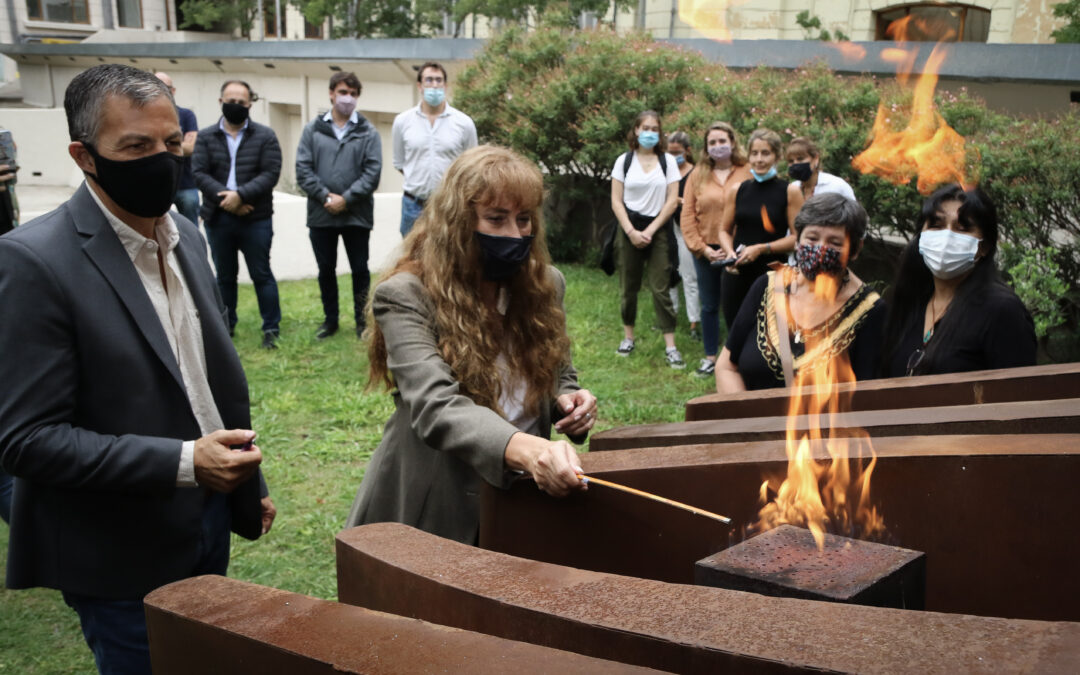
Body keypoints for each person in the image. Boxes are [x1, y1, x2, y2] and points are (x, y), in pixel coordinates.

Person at [0, 64, 275, 674]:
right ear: (84, 156)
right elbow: (26, 440)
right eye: (136, 147)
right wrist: (183, 463)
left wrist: (244, 482)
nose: (161, 159)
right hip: (118, 548)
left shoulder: (185, 235)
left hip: (206, 517)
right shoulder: (32, 263)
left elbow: (202, 379)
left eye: (171, 144)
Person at [346, 145, 596, 545]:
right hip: (437, 502)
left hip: (526, 495)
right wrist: (526, 449)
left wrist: (568, 400)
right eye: (496, 219)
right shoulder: (406, 295)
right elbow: (435, 406)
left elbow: (558, 370)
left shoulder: (546, 284)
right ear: (458, 224)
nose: (515, 235)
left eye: (524, 219)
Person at [716, 193, 886, 392]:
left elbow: (867, 395)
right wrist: (745, 418)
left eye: (835, 243)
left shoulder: (871, 311)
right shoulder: (767, 286)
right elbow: (727, 367)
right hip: (750, 421)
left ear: (855, 250)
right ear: (797, 242)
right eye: (812, 239)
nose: (821, 249)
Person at [880, 184, 1036, 377]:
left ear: (984, 246)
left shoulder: (1001, 311)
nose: (946, 237)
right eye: (936, 225)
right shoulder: (909, 302)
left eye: (962, 228)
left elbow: (1019, 395)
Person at [192, 80, 283, 349]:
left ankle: (271, 328)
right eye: (231, 101)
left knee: (262, 274)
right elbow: (199, 173)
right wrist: (227, 200)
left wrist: (240, 196)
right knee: (224, 277)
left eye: (242, 102)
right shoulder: (206, 136)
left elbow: (270, 173)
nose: (236, 106)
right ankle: (226, 327)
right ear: (221, 102)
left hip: (256, 217)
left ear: (250, 104)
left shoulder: (265, 136)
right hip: (219, 218)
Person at [296, 71, 382, 340]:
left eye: (353, 94)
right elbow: (303, 169)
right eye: (343, 92)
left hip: (356, 215)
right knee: (326, 270)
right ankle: (330, 321)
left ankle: (361, 322)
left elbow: (372, 172)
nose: (348, 98)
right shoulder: (312, 130)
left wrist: (347, 198)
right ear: (331, 93)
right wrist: (325, 197)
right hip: (321, 215)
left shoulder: (368, 131)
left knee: (360, 270)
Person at [610, 110, 685, 368]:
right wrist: (631, 231)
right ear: (636, 130)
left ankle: (671, 346)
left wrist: (651, 231)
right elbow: (615, 200)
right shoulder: (624, 161)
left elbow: (672, 200)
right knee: (628, 287)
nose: (650, 133)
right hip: (629, 228)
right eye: (645, 128)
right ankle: (628, 337)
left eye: (655, 128)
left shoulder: (668, 162)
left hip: (658, 229)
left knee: (660, 288)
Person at [680, 122, 753, 378]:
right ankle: (710, 356)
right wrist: (702, 249)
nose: (718, 146)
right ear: (706, 148)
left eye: (723, 141)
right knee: (710, 305)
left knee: (741, 304)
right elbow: (687, 215)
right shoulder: (697, 175)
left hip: (741, 250)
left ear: (733, 142)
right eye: (712, 143)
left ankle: (740, 357)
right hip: (708, 252)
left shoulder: (749, 171)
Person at [717, 128, 804, 331]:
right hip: (737, 272)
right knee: (735, 331)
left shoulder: (789, 191)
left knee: (767, 336)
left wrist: (761, 248)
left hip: (771, 274)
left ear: (777, 156)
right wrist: (730, 252)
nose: (759, 159)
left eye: (765, 153)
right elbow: (724, 230)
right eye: (754, 153)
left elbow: (798, 238)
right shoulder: (737, 190)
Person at [392, 61, 478, 237]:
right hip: (413, 205)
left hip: (449, 205)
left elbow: (472, 166)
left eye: (439, 80)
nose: (434, 85)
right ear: (420, 86)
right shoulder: (402, 122)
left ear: (446, 86)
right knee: (412, 260)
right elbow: (400, 163)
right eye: (429, 80)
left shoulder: (464, 123)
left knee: (449, 257)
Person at [665, 131, 701, 343]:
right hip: (666, 228)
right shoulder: (665, 172)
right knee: (668, 276)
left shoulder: (696, 174)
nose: (673, 156)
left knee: (690, 277)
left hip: (687, 231)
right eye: (669, 152)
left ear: (687, 151)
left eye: (677, 152)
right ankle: (670, 317)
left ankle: (694, 323)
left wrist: (678, 201)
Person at [154, 72, 200, 225]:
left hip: (185, 184)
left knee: (190, 228)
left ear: (173, 91)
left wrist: (155, 144)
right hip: (155, 183)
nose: (159, 90)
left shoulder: (186, 115)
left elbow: (190, 148)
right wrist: (174, 144)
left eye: (164, 87)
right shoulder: (142, 117)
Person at [785, 136, 856, 203]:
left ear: (816, 158)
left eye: (800, 159)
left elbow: (856, 214)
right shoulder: (791, 189)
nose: (795, 164)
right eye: (791, 161)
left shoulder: (836, 186)